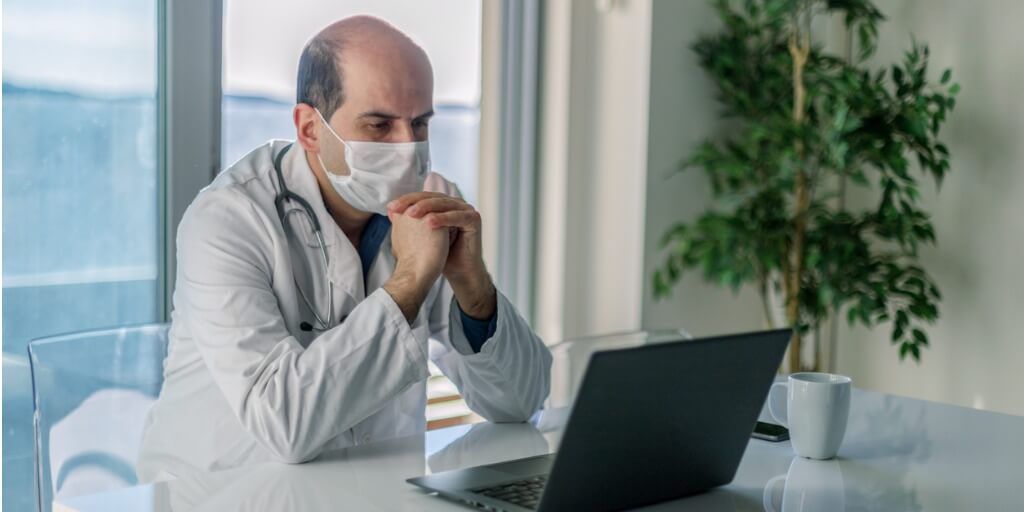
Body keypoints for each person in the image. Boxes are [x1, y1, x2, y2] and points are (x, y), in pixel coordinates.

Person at [137, 15, 552, 481]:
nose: (408, 147)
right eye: (379, 126)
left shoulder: (430, 205)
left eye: (420, 124)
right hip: (219, 494)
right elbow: (284, 421)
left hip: (369, 494)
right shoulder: (227, 219)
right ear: (310, 129)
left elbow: (520, 404)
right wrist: (411, 281)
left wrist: (474, 289)